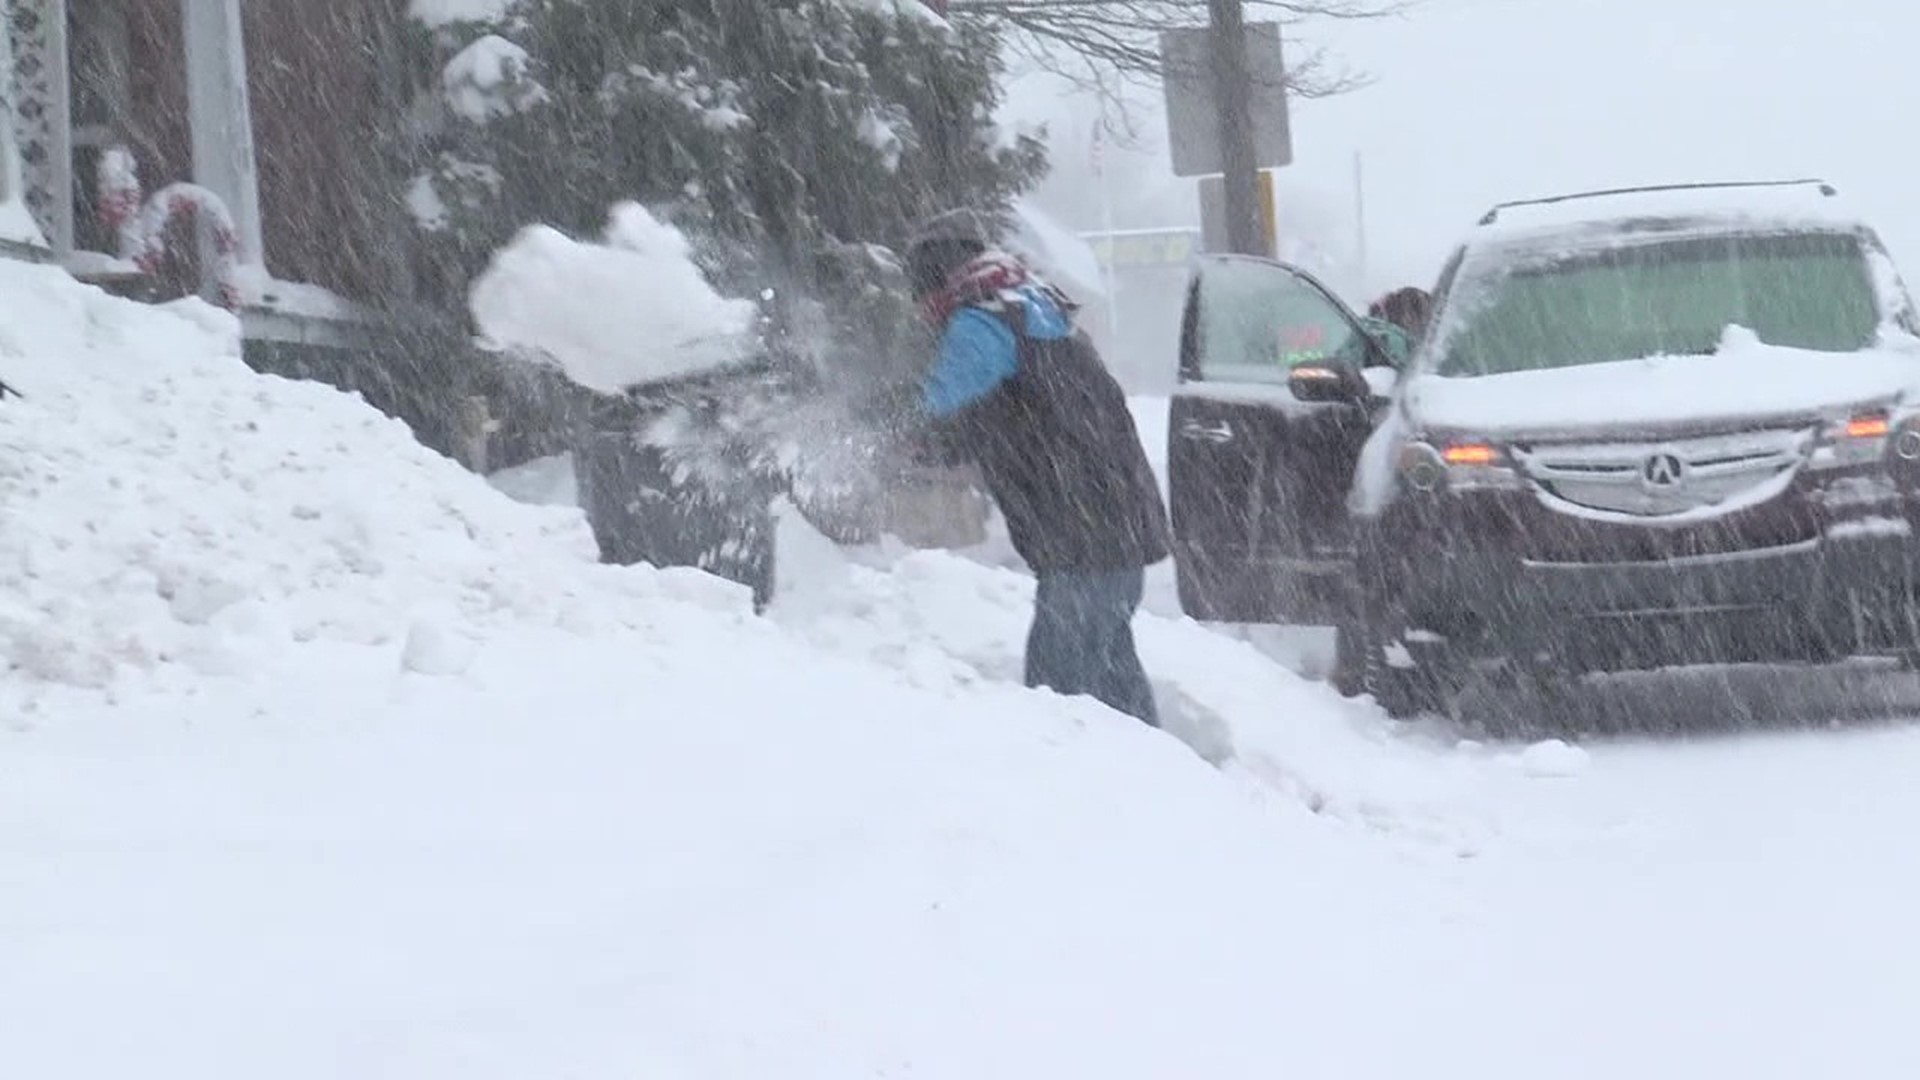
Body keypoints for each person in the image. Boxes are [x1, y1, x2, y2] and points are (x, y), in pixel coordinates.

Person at [904, 209, 1171, 726]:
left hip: (1082, 538)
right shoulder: (1032, 304)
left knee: (1056, 704)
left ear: (935, 277)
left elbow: (932, 411)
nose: (918, 309)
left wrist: (867, 435)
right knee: (1114, 681)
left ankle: (1077, 797)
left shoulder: (982, 325)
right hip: (1115, 527)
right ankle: (1153, 785)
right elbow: (1008, 417)